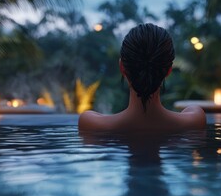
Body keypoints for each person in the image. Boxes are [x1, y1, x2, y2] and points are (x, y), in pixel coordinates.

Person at [78, 23, 206, 132]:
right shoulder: (195, 120)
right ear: (168, 70)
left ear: (122, 67)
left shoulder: (91, 124)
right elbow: (192, 108)